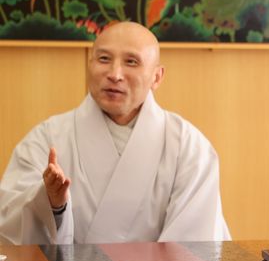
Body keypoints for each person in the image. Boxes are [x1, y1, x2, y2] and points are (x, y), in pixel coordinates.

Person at [0, 22, 231, 244]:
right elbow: (10, 222)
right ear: (90, 65)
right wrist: (51, 204)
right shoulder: (47, 139)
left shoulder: (189, 147)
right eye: (104, 59)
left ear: (157, 77)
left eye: (131, 62)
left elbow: (194, 245)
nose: (115, 74)